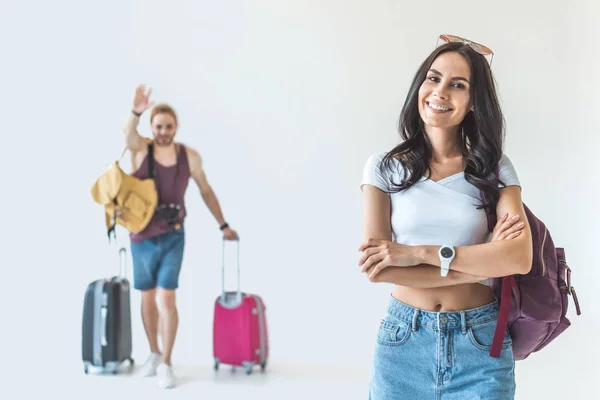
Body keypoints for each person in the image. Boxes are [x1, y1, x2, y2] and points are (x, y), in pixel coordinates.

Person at [358, 35, 532, 399]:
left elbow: (518, 257)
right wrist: (485, 265)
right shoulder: (384, 168)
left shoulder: (494, 169)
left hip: (481, 341)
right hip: (404, 341)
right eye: (433, 78)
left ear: (472, 103)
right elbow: (380, 268)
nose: (440, 92)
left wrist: (418, 253)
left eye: (457, 85)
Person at [122, 84, 239, 389]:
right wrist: (135, 112)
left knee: (167, 298)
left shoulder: (190, 157)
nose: (163, 130)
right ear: (152, 127)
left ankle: (167, 362)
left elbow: (205, 190)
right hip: (141, 235)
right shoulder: (140, 150)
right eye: (158, 126)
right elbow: (127, 135)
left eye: (168, 126)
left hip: (174, 235)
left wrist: (223, 225)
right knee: (147, 300)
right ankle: (153, 352)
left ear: (175, 127)